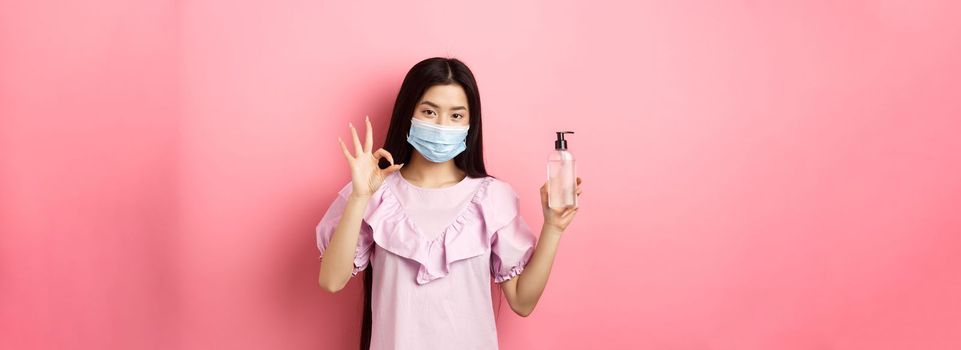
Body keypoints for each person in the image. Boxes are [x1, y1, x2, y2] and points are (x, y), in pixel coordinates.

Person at [315, 57, 582, 350]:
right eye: (429, 111)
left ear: (470, 123)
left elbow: (522, 301)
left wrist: (554, 228)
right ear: (408, 114)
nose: (442, 125)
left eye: (456, 116)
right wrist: (359, 197)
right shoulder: (374, 194)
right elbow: (331, 281)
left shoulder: (492, 198)